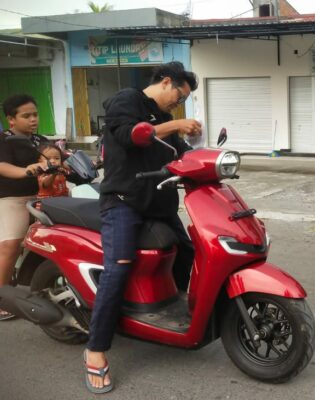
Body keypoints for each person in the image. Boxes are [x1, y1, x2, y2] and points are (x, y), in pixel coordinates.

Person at [84, 61, 202, 393]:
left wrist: (213, 159)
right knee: (118, 268)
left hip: (159, 203)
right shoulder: (128, 100)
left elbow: (182, 154)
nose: (179, 104)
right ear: (167, 82)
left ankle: (177, 313)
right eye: (180, 96)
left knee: (190, 251)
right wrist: (177, 122)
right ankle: (95, 350)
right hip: (123, 200)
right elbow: (130, 134)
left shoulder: (166, 120)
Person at [0, 94, 49, 321]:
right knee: (10, 246)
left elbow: (56, 159)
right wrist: (26, 171)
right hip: (12, 199)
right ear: (11, 119)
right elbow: (3, 166)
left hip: (42, 197)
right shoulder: (4, 140)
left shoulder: (40, 140)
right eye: (26, 116)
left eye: (35, 114)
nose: (33, 119)